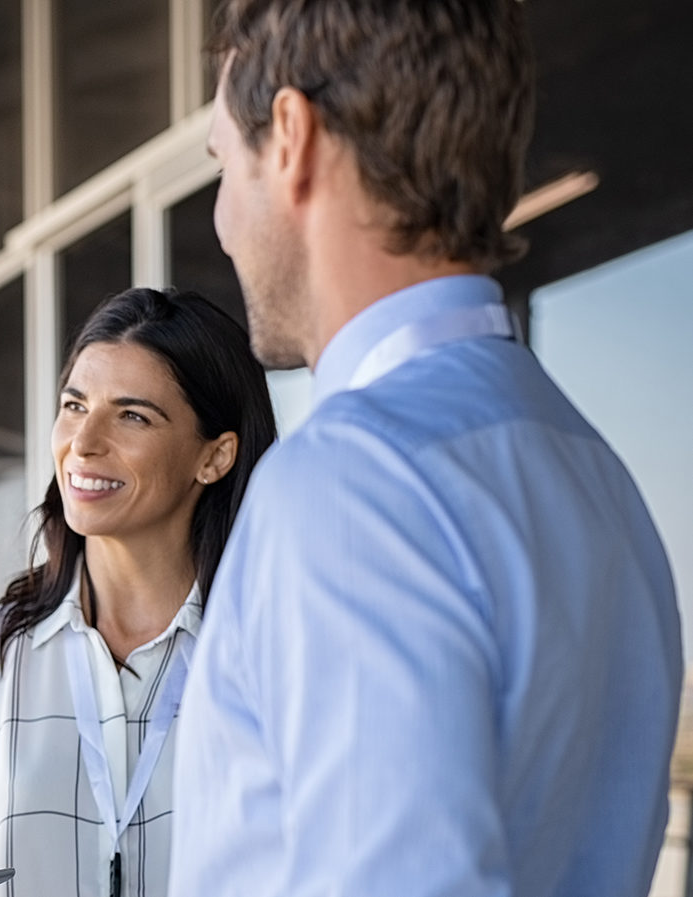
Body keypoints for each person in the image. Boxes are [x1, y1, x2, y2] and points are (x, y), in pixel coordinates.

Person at [172, 2, 683, 895]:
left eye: (222, 162)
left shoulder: (343, 484)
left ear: (289, 137)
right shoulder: (595, 474)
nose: (218, 219)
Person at [0, 287, 275, 897]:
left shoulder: (274, 656)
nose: (83, 443)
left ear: (214, 457)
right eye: (75, 405)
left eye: (132, 415)